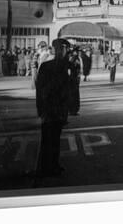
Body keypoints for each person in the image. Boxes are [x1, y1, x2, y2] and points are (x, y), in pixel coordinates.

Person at [35, 38, 71, 177]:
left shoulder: (65, 66)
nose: (65, 52)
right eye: (63, 49)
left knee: (55, 139)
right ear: (56, 49)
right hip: (49, 109)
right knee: (47, 140)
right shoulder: (46, 66)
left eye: (66, 49)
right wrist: (41, 109)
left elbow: (69, 89)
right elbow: (40, 89)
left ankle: (54, 165)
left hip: (60, 110)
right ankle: (45, 168)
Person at [68, 48, 82, 115]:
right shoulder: (74, 59)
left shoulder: (75, 58)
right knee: (74, 95)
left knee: (74, 95)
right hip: (73, 78)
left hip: (74, 78)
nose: (78, 53)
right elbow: (72, 68)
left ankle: (74, 110)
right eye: (76, 52)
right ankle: (73, 110)